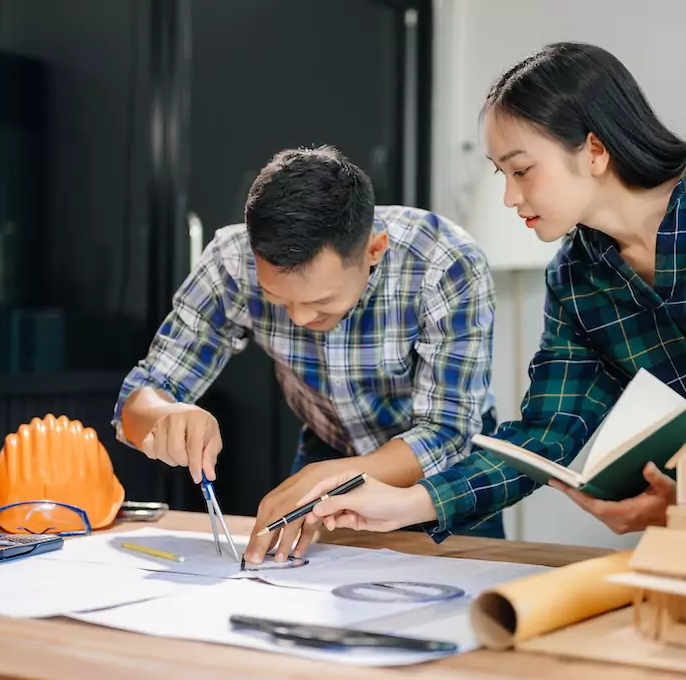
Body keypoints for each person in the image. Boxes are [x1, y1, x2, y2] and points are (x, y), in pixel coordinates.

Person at [293, 41, 686, 549]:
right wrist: (409, 501)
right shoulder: (577, 277)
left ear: (593, 150)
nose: (510, 197)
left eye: (520, 169)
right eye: (500, 175)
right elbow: (547, 431)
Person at [112, 145, 504, 562]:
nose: (299, 319)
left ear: (373, 251)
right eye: (277, 299)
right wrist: (164, 416)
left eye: (322, 302)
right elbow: (143, 392)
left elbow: (446, 431)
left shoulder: (445, 263)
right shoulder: (231, 262)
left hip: (444, 473)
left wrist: (334, 477)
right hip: (328, 450)